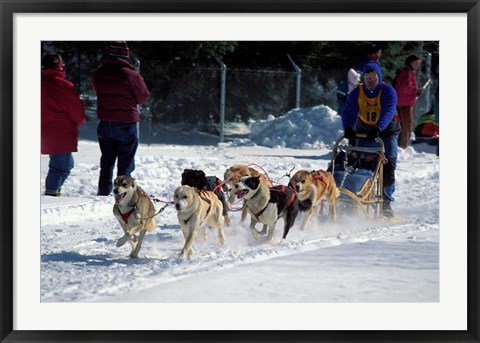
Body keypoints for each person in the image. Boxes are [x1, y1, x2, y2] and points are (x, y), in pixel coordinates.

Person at [342, 62, 401, 218]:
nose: (370, 79)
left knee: (388, 162)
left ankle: (386, 202)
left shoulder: (388, 91)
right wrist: (348, 128)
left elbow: (388, 112)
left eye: (373, 76)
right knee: (360, 160)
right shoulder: (357, 92)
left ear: (379, 77)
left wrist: (378, 128)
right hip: (365, 130)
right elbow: (349, 111)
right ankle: (351, 195)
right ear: (363, 77)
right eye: (367, 76)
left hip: (386, 131)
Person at [92, 41, 150, 196]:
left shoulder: (99, 73)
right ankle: (124, 195)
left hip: (105, 122)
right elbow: (143, 97)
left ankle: (103, 193)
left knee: (107, 161)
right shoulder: (131, 75)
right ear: (126, 55)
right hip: (126, 123)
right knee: (125, 163)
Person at [41, 52, 86, 197]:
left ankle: (53, 191)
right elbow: (76, 110)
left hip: (46, 131)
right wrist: (79, 121)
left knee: (62, 164)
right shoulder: (63, 86)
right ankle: (52, 193)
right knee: (62, 167)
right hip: (60, 132)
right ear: (60, 67)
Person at [394, 54, 422, 149]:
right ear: (411, 62)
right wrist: (416, 91)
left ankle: (403, 144)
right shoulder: (407, 73)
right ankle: (403, 146)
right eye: (416, 63)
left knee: (404, 124)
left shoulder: (408, 72)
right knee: (406, 125)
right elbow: (407, 87)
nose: (418, 65)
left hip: (404, 102)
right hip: (405, 103)